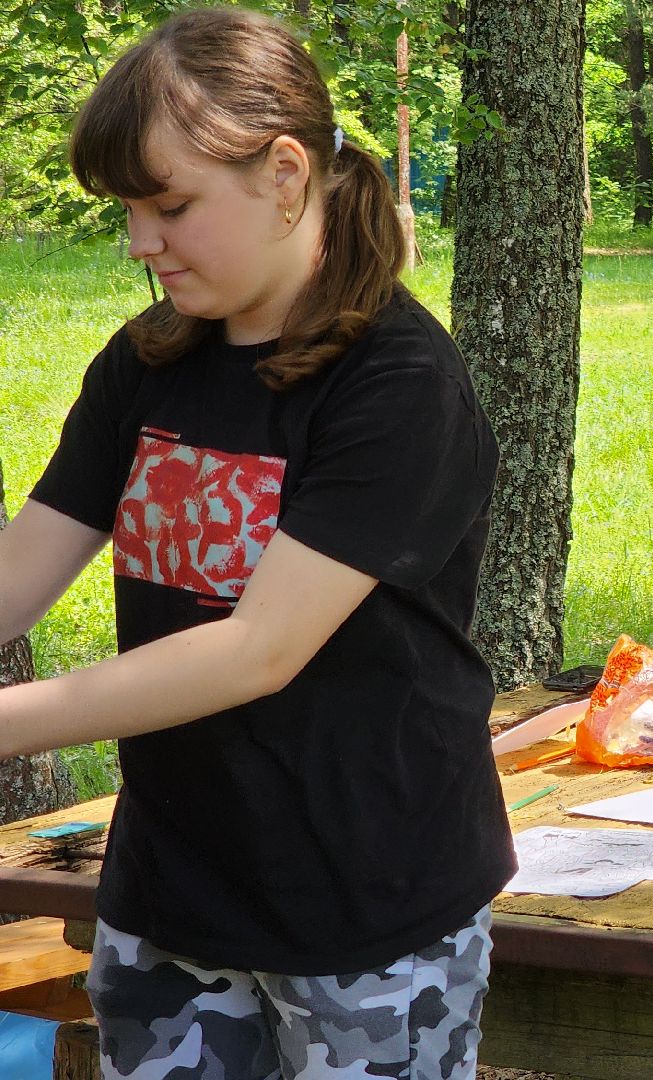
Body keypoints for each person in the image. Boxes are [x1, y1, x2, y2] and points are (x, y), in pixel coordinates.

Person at [0, 8, 511, 1076]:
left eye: (171, 205)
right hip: (173, 892)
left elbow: (256, 650)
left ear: (286, 174)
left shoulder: (399, 381)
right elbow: (23, 566)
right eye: (130, 212)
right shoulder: (146, 361)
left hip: (367, 901)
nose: (143, 242)